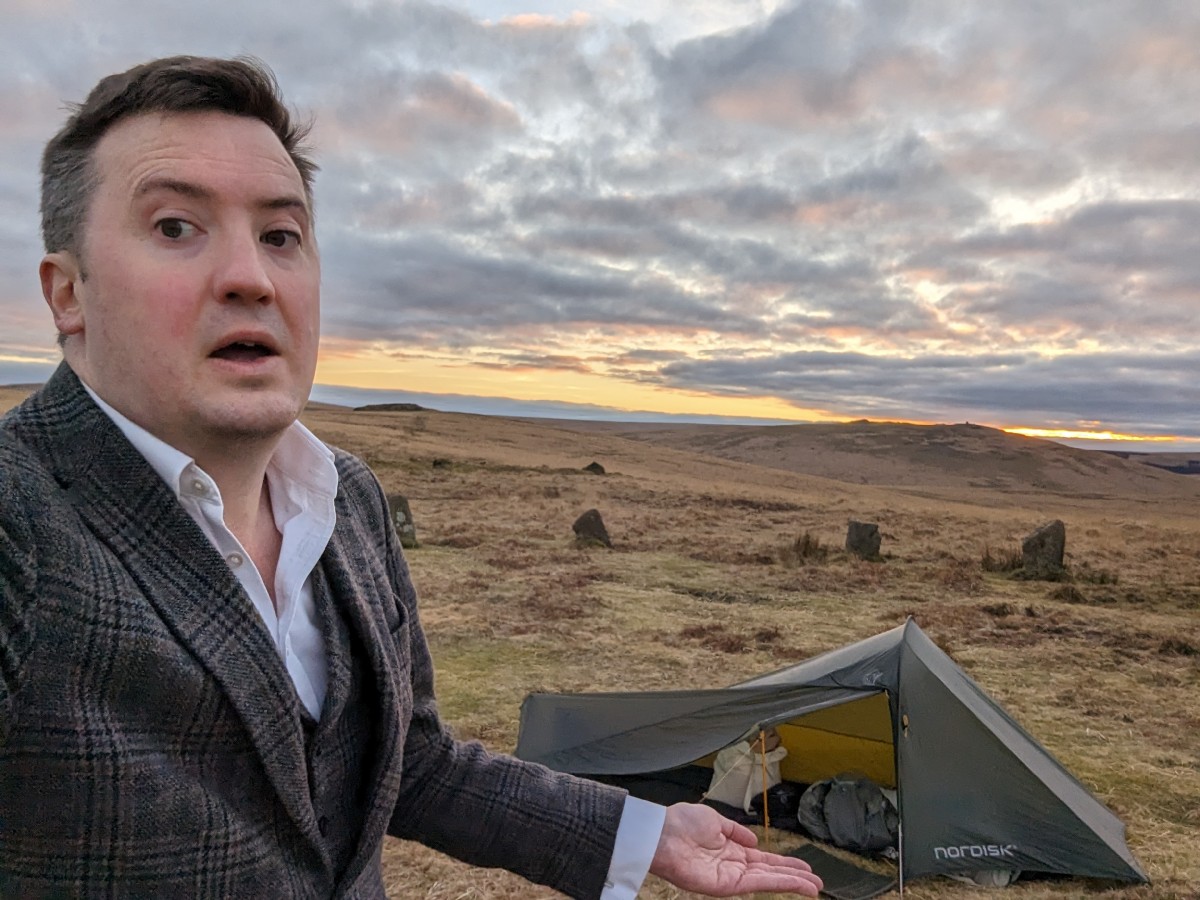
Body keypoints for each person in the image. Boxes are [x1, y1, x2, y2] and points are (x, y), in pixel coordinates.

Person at [0, 56, 823, 899]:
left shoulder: (346, 500)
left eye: (280, 236)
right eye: (176, 227)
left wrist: (640, 831)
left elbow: (411, 764)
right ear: (68, 295)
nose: (251, 277)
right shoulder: (17, 523)